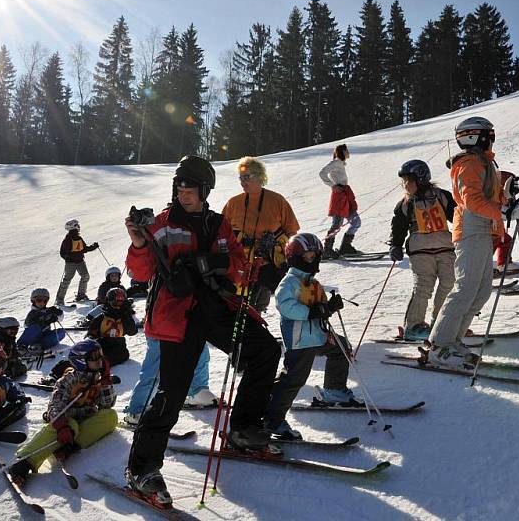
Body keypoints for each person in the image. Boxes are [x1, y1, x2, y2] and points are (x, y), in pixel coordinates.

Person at [124, 155, 281, 506]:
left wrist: (216, 263)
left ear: (205, 190)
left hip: (216, 309)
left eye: (190, 188)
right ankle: (142, 468)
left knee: (265, 350)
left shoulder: (217, 223)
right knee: (172, 392)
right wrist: (138, 242)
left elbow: (238, 263)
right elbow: (139, 273)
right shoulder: (161, 224)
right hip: (178, 316)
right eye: (179, 187)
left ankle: (242, 428)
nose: (184, 194)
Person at [425, 117, 519, 369]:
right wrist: (504, 212)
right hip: (471, 227)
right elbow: (470, 200)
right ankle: (439, 345)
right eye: (489, 135)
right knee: (465, 287)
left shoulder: (485, 162)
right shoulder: (469, 163)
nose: (492, 139)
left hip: (485, 227)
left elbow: (488, 198)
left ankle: (454, 340)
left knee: (480, 290)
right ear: (476, 137)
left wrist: (507, 195)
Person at [263, 233, 359, 440]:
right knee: (294, 379)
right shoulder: (289, 282)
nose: (313, 260)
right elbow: (285, 306)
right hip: (300, 340)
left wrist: (330, 306)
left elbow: (320, 306)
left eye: (315, 255)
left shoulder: (312, 282)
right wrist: (314, 312)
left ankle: (334, 390)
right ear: (295, 257)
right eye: (307, 256)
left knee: (341, 347)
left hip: (318, 335)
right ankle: (273, 419)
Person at [8, 339, 118, 486]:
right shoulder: (69, 379)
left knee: (111, 416)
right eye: (94, 357)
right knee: (72, 425)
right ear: (81, 361)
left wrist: (105, 381)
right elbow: (55, 407)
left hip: (85, 418)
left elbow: (107, 405)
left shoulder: (98, 378)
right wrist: (61, 426)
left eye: (100, 355)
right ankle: (24, 462)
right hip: (63, 421)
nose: (99, 361)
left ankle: (68, 447)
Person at [388, 160, 456, 340]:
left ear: (421, 178)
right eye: (403, 182)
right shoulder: (405, 203)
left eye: (409, 181)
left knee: (449, 284)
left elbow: (456, 216)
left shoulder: (441, 196)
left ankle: (441, 322)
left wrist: (464, 234)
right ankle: (413, 325)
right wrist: (395, 244)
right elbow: (399, 226)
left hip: (445, 248)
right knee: (423, 287)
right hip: (420, 251)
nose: (405, 185)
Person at [222, 156, 300, 312]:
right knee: (238, 303)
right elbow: (222, 231)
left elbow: (292, 230)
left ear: (259, 177)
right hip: (241, 263)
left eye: (247, 177)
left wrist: (275, 241)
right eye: (240, 177)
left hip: (269, 262)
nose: (242, 181)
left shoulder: (277, 201)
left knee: (265, 301)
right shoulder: (233, 203)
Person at [319, 144, 362, 258]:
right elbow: (322, 173)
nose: (348, 152)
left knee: (356, 221)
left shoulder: (340, 164)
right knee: (337, 224)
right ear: (342, 151)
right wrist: (333, 185)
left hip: (345, 196)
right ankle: (327, 250)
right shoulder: (336, 162)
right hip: (339, 197)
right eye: (347, 150)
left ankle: (345, 247)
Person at [84, 287, 138, 366]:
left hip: (118, 345)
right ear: (108, 301)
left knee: (120, 354)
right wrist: (91, 337)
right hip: (103, 343)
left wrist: (127, 316)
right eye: (115, 303)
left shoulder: (125, 318)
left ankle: (102, 364)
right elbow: (91, 333)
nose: (117, 306)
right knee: (90, 353)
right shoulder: (101, 318)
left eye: (120, 303)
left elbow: (132, 332)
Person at [55, 219, 99, 306]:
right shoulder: (68, 239)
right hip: (72, 263)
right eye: (77, 225)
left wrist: (93, 247)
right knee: (67, 280)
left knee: (85, 276)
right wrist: (68, 257)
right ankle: (59, 299)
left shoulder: (78, 238)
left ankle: (81, 295)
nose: (79, 227)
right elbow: (62, 252)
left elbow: (83, 249)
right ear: (73, 227)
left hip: (79, 261)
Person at [17, 288, 66, 353]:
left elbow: (60, 318)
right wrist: (43, 321)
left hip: (45, 336)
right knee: (36, 328)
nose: (42, 303)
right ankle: (21, 347)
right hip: (34, 337)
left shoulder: (48, 310)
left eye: (45, 300)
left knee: (61, 332)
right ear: (33, 301)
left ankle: (39, 346)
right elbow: (27, 327)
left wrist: (58, 313)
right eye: (39, 300)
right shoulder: (32, 313)